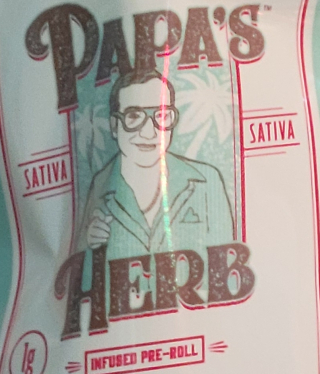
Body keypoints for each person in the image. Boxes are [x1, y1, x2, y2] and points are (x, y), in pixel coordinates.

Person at [75, 69, 236, 259]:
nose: (149, 132)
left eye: (161, 116)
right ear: (114, 125)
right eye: (134, 116)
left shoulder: (207, 181)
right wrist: (90, 242)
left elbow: (226, 261)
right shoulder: (100, 186)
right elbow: (76, 262)